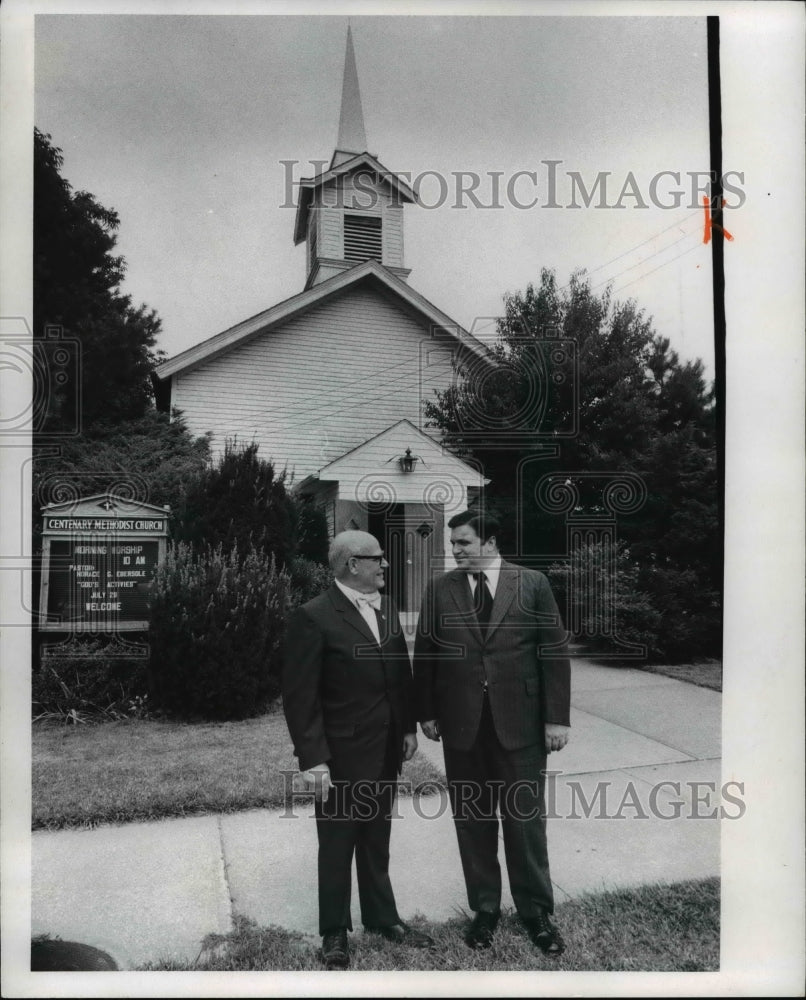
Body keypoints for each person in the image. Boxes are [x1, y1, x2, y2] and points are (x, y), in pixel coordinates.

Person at [414, 509, 571, 954]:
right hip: (462, 727)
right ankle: (485, 909)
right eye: (453, 543)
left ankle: (536, 913)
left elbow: (553, 653)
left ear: (490, 542)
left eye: (463, 543)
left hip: (519, 725)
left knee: (524, 823)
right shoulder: (440, 589)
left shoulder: (532, 584)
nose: (455, 551)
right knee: (472, 822)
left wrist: (556, 718)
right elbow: (426, 652)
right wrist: (426, 711)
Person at [282, 529, 434, 970]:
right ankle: (334, 930)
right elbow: (300, 696)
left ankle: (383, 918)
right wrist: (313, 759)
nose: (385, 565)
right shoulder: (313, 617)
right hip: (341, 756)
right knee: (336, 841)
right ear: (353, 564)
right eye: (378, 559)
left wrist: (407, 729)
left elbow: (398, 674)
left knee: (376, 837)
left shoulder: (384, 611)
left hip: (385, 748)